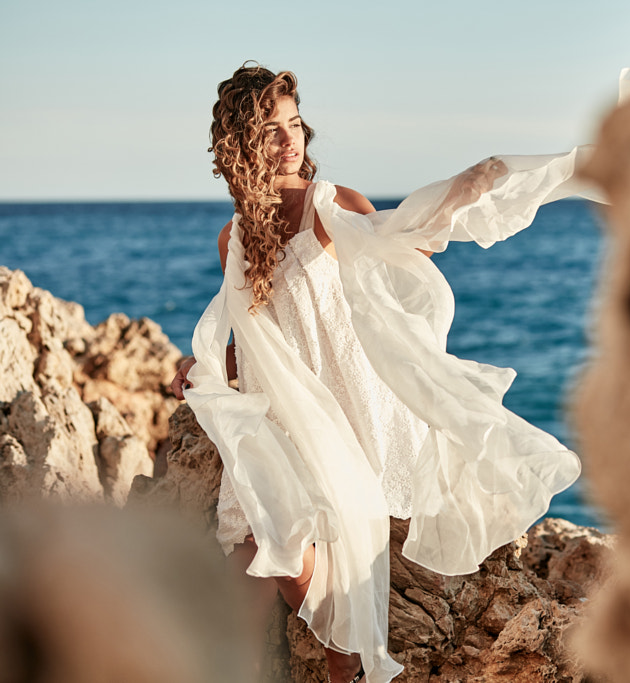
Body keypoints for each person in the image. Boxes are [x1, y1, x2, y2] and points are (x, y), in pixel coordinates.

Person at [171, 63, 599, 683]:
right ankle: (352, 666)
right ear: (242, 144)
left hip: (346, 406)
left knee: (278, 554)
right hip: (280, 412)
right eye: (271, 129)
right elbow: (253, 341)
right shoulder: (233, 238)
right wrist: (203, 368)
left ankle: (355, 664)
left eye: (294, 123)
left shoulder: (333, 206)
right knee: (254, 558)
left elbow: (405, 240)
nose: (291, 140)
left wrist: (473, 186)